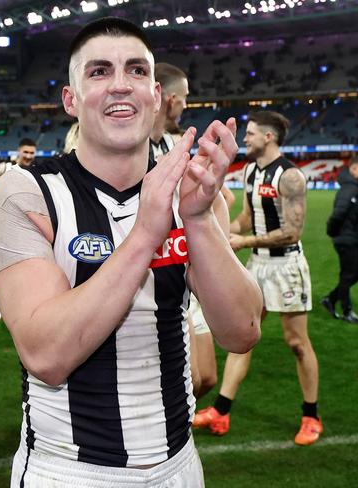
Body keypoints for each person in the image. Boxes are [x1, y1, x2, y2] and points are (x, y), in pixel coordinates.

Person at [0, 17, 262, 486]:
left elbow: (242, 331)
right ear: (70, 100)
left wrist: (195, 219)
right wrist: (146, 230)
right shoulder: (26, 192)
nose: (120, 86)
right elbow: (47, 354)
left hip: (179, 465)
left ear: (156, 96)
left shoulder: (187, 189)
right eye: (98, 72)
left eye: (135, 71)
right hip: (69, 470)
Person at [195, 110, 322, 446]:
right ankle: (221, 410)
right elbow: (247, 218)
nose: (245, 138)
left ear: (269, 137)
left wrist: (244, 241)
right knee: (242, 334)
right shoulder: (251, 170)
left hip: (286, 266)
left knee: (296, 343)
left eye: (250, 133)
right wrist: (223, 233)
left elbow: (293, 232)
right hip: (257, 264)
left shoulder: (291, 176)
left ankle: (311, 415)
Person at [150, 61, 220, 401]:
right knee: (187, 379)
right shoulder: (134, 147)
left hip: (184, 270)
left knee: (206, 378)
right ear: (169, 98)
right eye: (185, 97)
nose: (187, 105)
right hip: (156, 276)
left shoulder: (171, 144)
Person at [0, 137, 37, 322]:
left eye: (32, 153)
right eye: (26, 152)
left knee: (27, 265)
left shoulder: (37, 171)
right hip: (4, 223)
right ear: (19, 151)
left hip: (28, 226)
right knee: (2, 266)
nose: (29, 156)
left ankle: (23, 303)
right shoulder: (4, 168)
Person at [321, 155, 358, 324]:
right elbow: (338, 214)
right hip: (347, 240)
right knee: (348, 275)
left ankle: (330, 299)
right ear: (354, 169)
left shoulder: (355, 187)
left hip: (354, 239)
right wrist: (333, 232)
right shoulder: (350, 189)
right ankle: (347, 311)